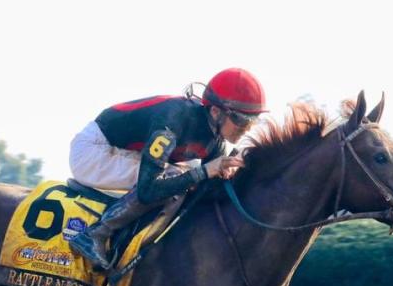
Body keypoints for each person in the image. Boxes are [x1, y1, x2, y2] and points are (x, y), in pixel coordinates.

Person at [68, 67, 267, 270]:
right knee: (176, 176)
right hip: (93, 151)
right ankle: (95, 235)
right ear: (216, 111)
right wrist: (205, 171)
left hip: (123, 151)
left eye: (253, 121)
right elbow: (148, 191)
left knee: (189, 177)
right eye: (241, 120)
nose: (246, 128)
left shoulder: (216, 139)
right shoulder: (175, 119)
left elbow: (207, 190)